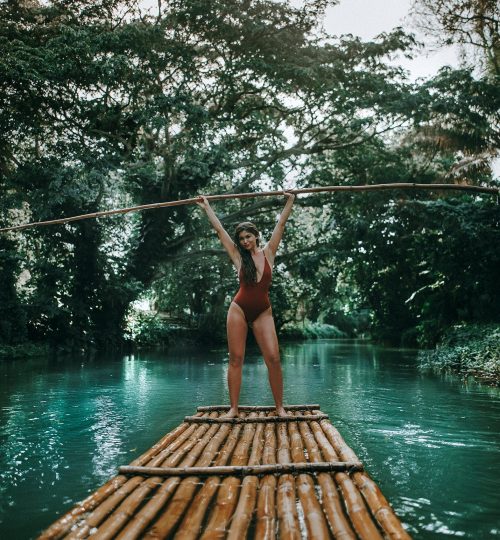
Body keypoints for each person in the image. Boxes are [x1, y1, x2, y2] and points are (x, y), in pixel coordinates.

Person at [197, 192, 295, 417]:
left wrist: (290, 200)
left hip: (263, 312)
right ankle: (233, 409)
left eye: (248, 236)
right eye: (241, 238)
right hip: (239, 310)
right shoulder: (239, 258)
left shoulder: (269, 252)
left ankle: (280, 408)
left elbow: (281, 223)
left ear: (256, 236)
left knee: (273, 358)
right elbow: (220, 231)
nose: (244, 241)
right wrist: (206, 207)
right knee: (236, 359)